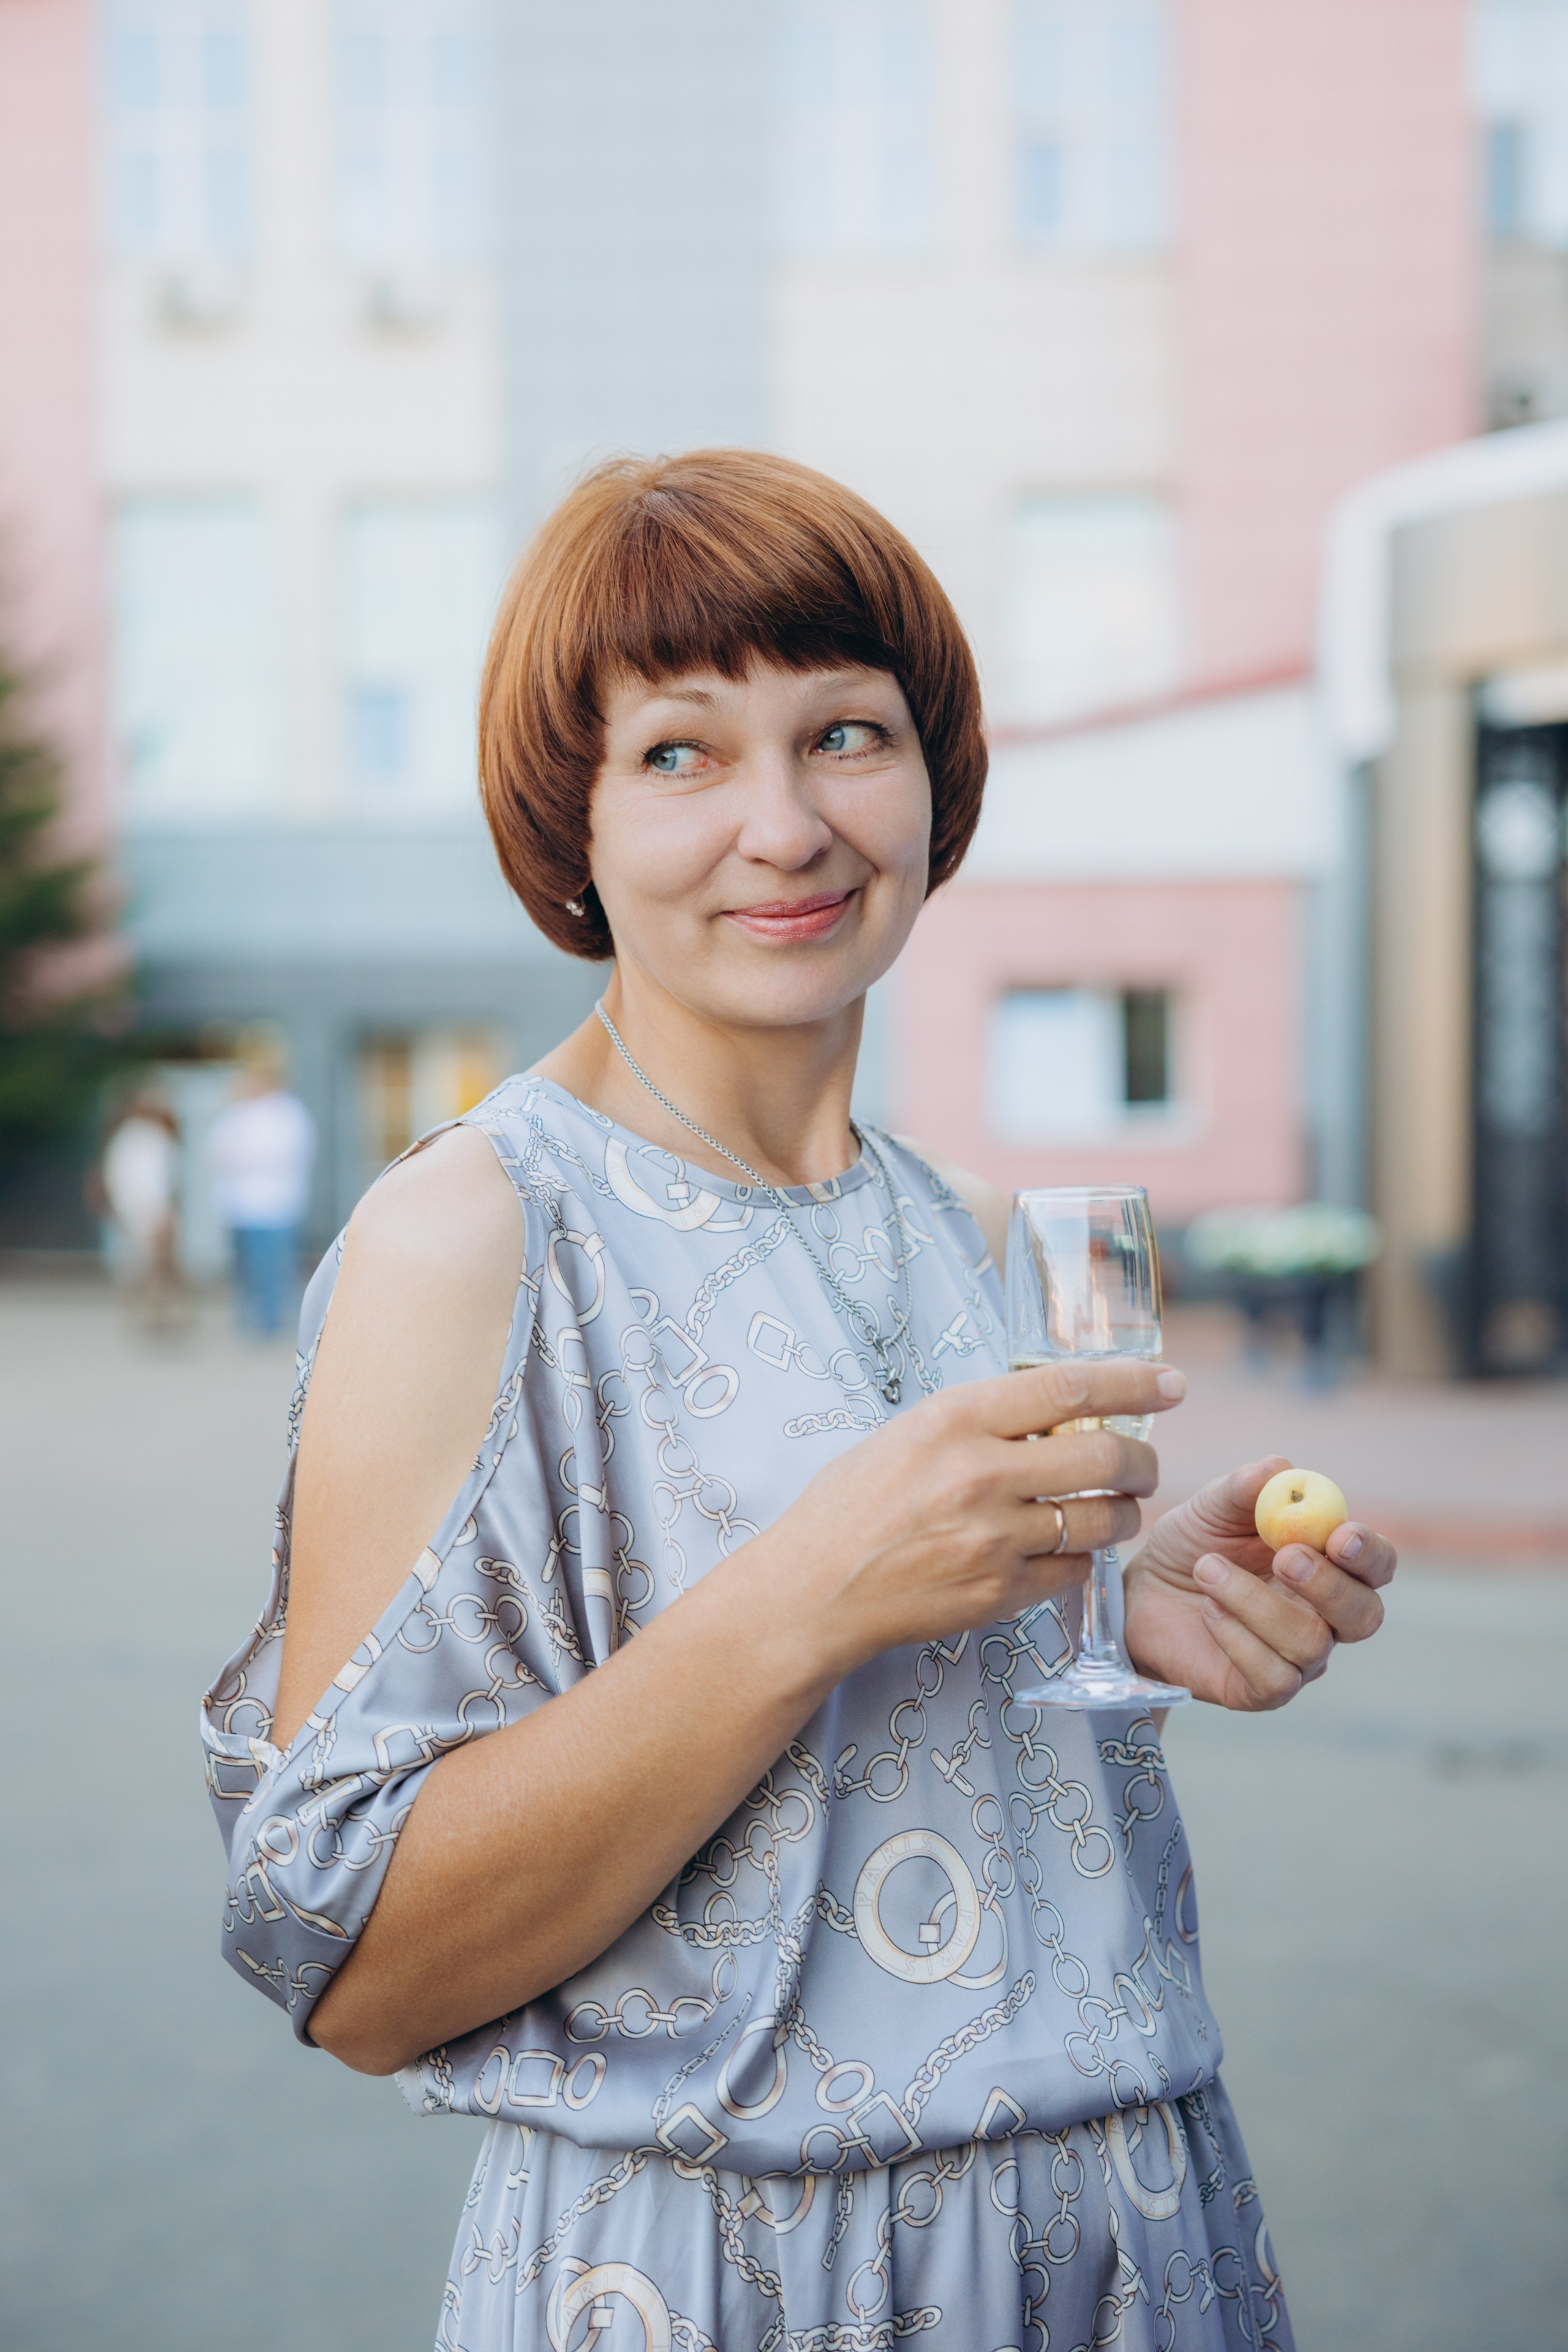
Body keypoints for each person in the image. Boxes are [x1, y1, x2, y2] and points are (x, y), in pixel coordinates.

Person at [204, 451, 1396, 2351]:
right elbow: (355, 1961)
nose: (785, 824)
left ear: (935, 783)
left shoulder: (992, 1234)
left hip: (1132, 2234)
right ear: (567, 824)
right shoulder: (473, 1230)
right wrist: (813, 1583)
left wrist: (1125, 1599)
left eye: (844, 732)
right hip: (715, 2274)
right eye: (680, 751)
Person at [205, 1039, 315, 1335]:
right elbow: (217, 1151)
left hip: (274, 1205)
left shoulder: (288, 1113)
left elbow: (281, 1154)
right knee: (243, 1268)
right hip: (238, 1205)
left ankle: (271, 1321)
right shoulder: (237, 1112)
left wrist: (243, 1158)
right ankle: (247, 1318)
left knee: (272, 1267)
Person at [100, 1091, 186, 1332]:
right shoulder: (151, 1139)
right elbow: (160, 1181)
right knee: (155, 1266)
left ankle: (149, 1314)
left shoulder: (127, 1139)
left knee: (147, 1265)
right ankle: (155, 1315)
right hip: (150, 1210)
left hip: (137, 1211)